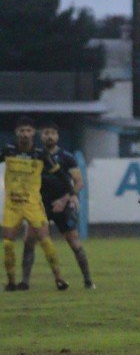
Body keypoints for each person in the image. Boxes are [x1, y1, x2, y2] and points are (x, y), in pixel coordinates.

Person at [20, 121, 94, 289]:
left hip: (62, 205)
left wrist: (66, 199)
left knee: (74, 243)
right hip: (39, 205)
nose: (50, 136)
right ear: (41, 136)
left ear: (58, 136)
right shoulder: (35, 156)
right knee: (29, 240)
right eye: (46, 133)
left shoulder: (67, 157)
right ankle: (24, 282)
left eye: (53, 133)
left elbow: (79, 182)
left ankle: (88, 280)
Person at [2, 116, 72, 291]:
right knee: (8, 244)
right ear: (16, 133)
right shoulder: (8, 151)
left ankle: (59, 278)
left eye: (28, 131)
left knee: (45, 241)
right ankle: (11, 282)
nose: (25, 134)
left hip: (33, 205)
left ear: (33, 133)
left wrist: (69, 194)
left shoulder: (41, 154)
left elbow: (61, 175)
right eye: (21, 131)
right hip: (12, 205)